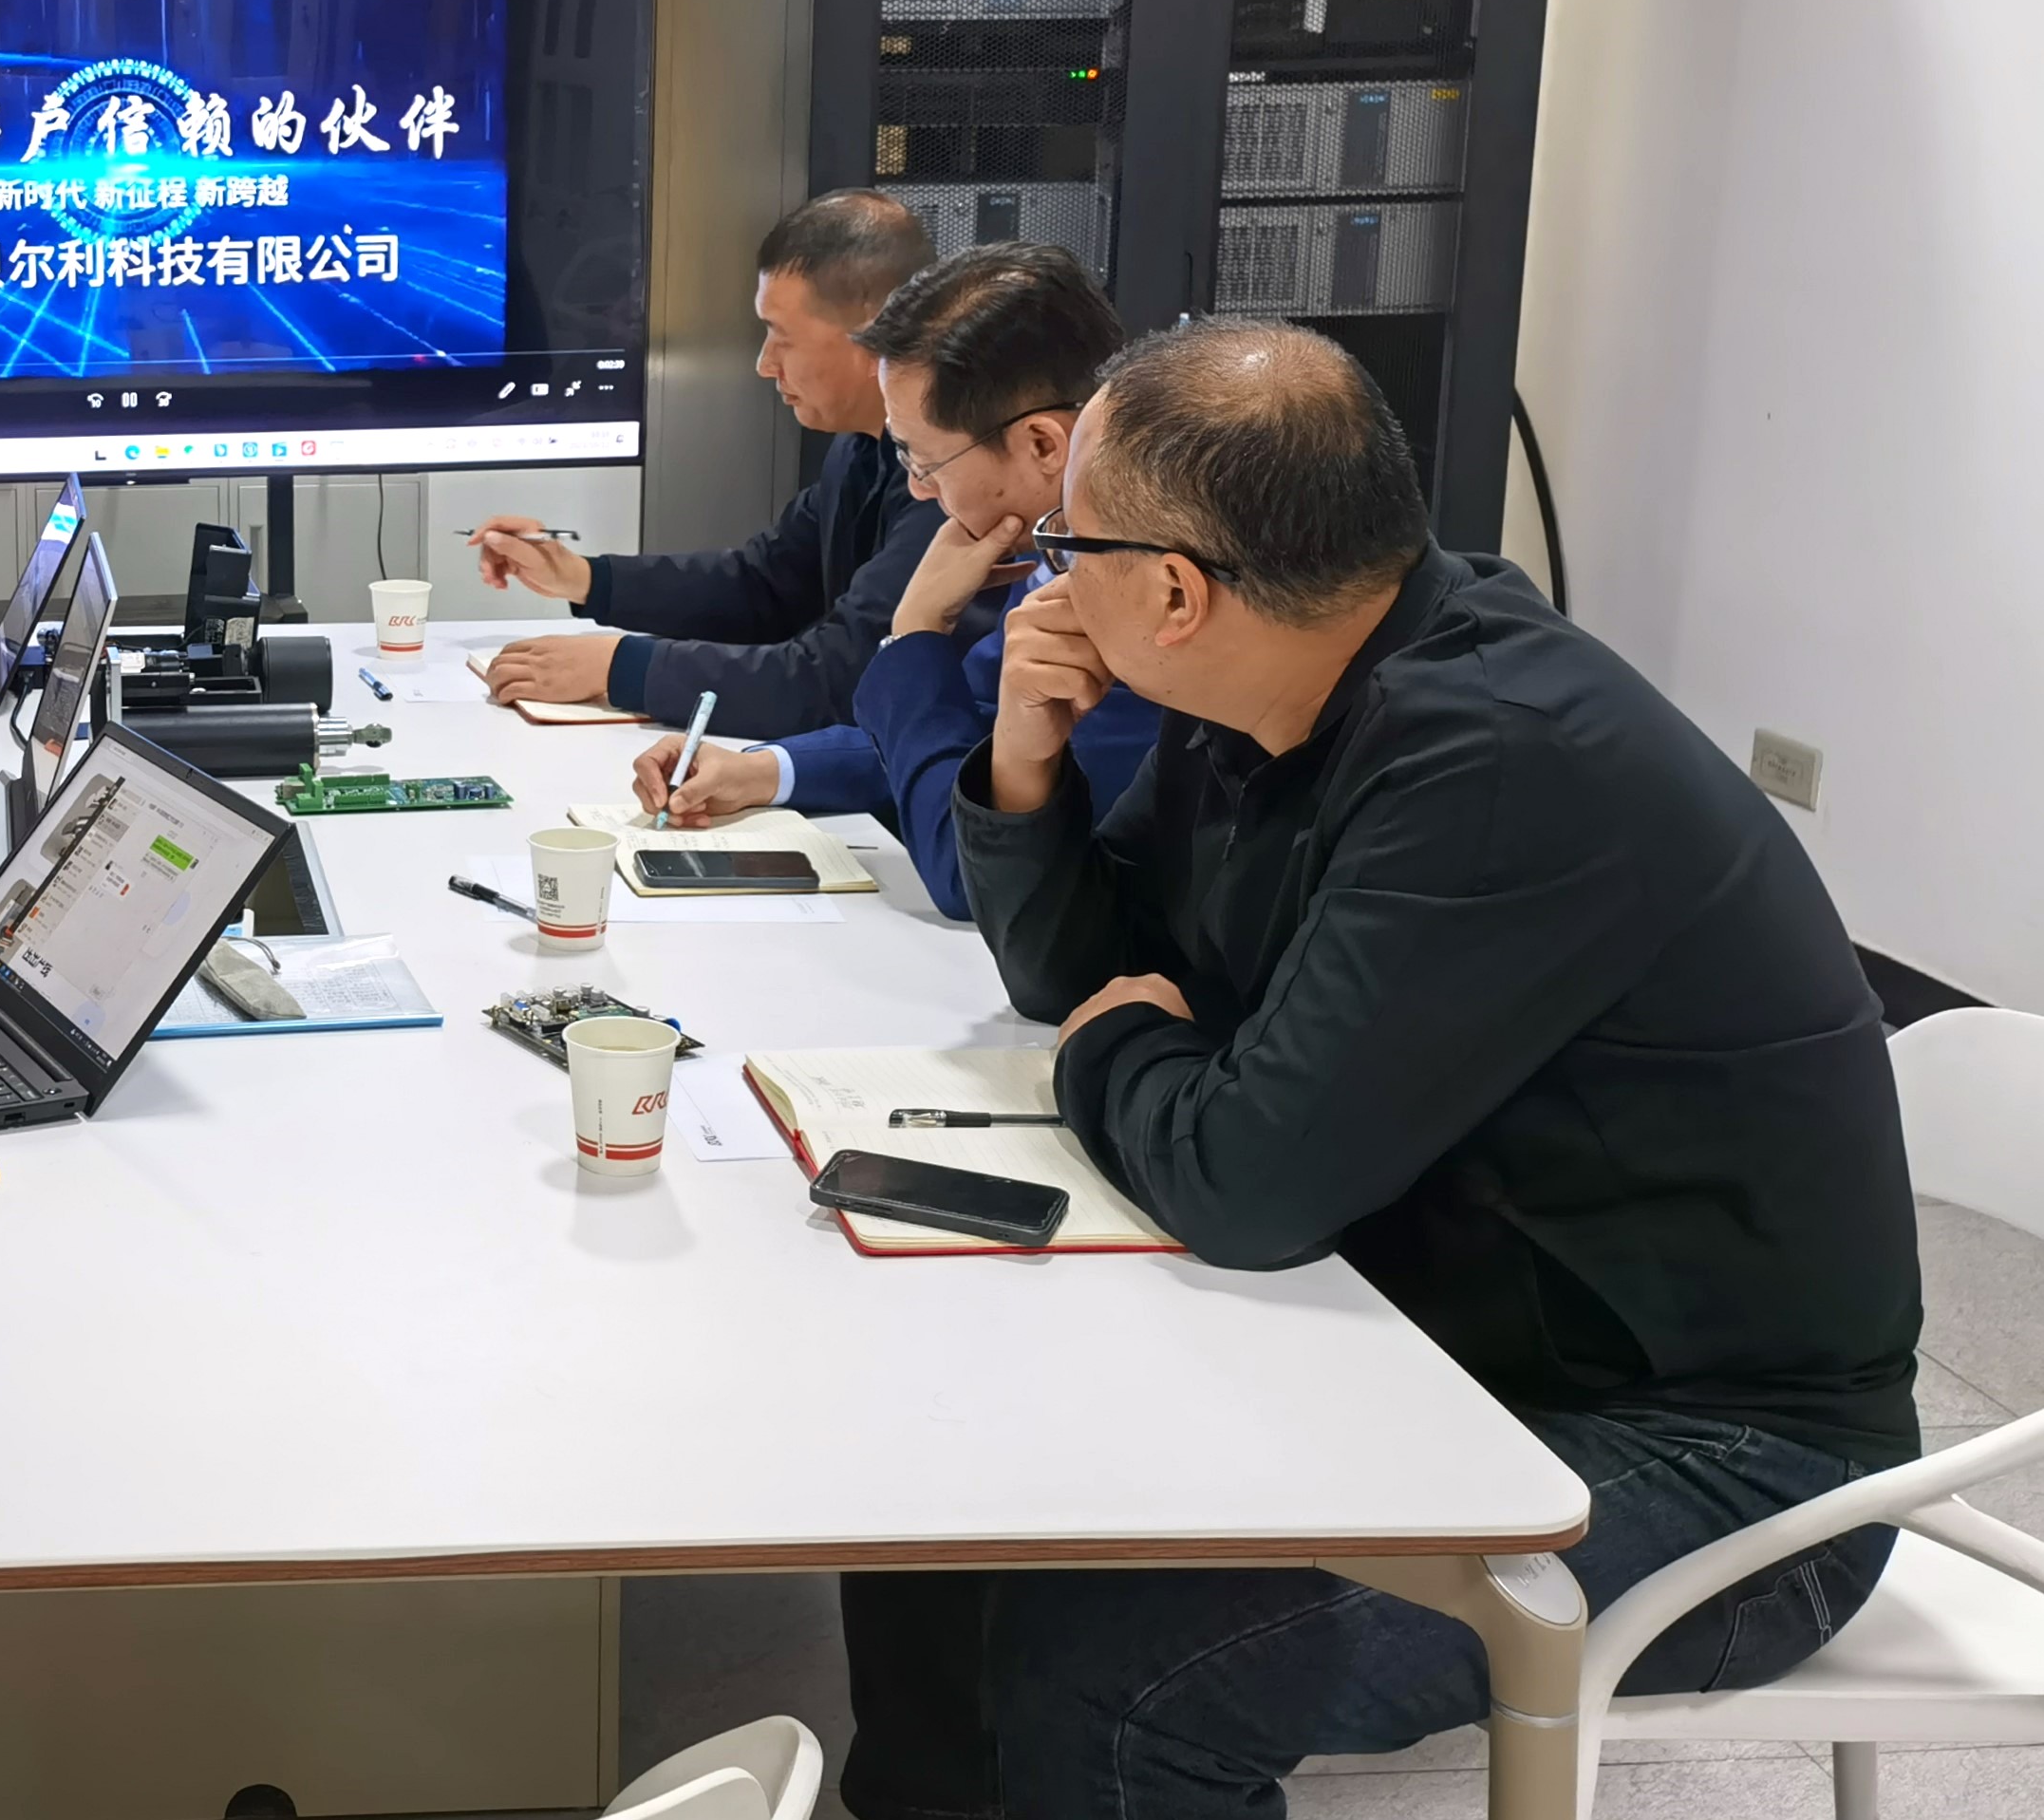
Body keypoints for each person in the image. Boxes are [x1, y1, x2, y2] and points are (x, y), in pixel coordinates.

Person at [838, 322, 1922, 1820]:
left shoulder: (1497, 759)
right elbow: (1078, 972)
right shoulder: (1276, 681)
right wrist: (1024, 759)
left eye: (1062, 550)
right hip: (1445, 1327)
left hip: (1720, 1463)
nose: (1043, 582)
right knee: (944, 1485)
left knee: (1117, 1674)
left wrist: (1117, 1046)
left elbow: (1243, 1179)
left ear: (1172, 591)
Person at [626, 244, 1158, 917]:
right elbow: (969, 738)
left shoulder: (1138, 593)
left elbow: (976, 869)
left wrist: (916, 633)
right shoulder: (1059, 547)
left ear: (1043, 446)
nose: (918, 489)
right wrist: (764, 770)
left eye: (924, 460)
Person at [467, 189, 932, 734]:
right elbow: (764, 586)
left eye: (782, 337)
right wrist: (585, 578)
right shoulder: (862, 446)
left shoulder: (948, 480)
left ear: (873, 336)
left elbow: (838, 679)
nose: (765, 364)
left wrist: (620, 668)